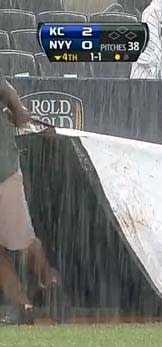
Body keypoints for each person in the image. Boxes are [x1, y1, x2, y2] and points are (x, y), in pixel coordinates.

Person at [0, 71, 61, 325]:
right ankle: (22, 305)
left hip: (3, 169)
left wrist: (17, 109)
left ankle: (51, 284)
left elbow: (7, 91)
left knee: (24, 241)